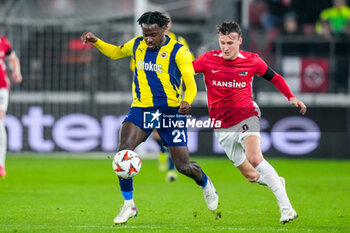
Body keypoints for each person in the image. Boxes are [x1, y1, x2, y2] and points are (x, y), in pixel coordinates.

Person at [81, 11, 218, 224]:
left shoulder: (178, 51)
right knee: (122, 154)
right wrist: (96, 41)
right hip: (142, 108)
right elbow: (116, 53)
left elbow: (190, 84)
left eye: (152, 35)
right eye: (145, 34)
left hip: (171, 111)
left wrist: (187, 101)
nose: (148, 39)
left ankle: (205, 183)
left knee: (183, 166)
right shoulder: (138, 44)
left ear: (164, 29)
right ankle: (129, 205)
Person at [192, 21, 307, 224]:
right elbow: (184, 73)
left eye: (230, 42)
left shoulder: (252, 61)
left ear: (240, 41)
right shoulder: (207, 60)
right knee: (251, 176)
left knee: (255, 158)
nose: (226, 47)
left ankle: (287, 209)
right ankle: (277, 182)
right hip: (221, 126)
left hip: (246, 115)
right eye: (222, 42)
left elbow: (275, 78)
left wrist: (291, 97)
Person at [0, 36, 22, 177]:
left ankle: (0, 164)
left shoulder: (3, 42)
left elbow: (12, 58)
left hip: (1, 87)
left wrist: (16, 71)